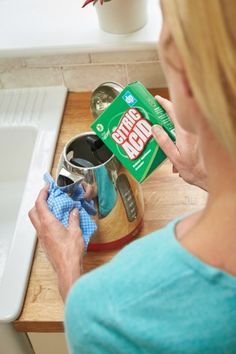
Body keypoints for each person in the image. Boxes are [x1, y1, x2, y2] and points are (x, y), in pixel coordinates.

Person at [29, 0, 236, 352]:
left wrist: (69, 276)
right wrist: (211, 178)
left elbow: (100, 323)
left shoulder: (113, 309)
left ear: (182, 67)